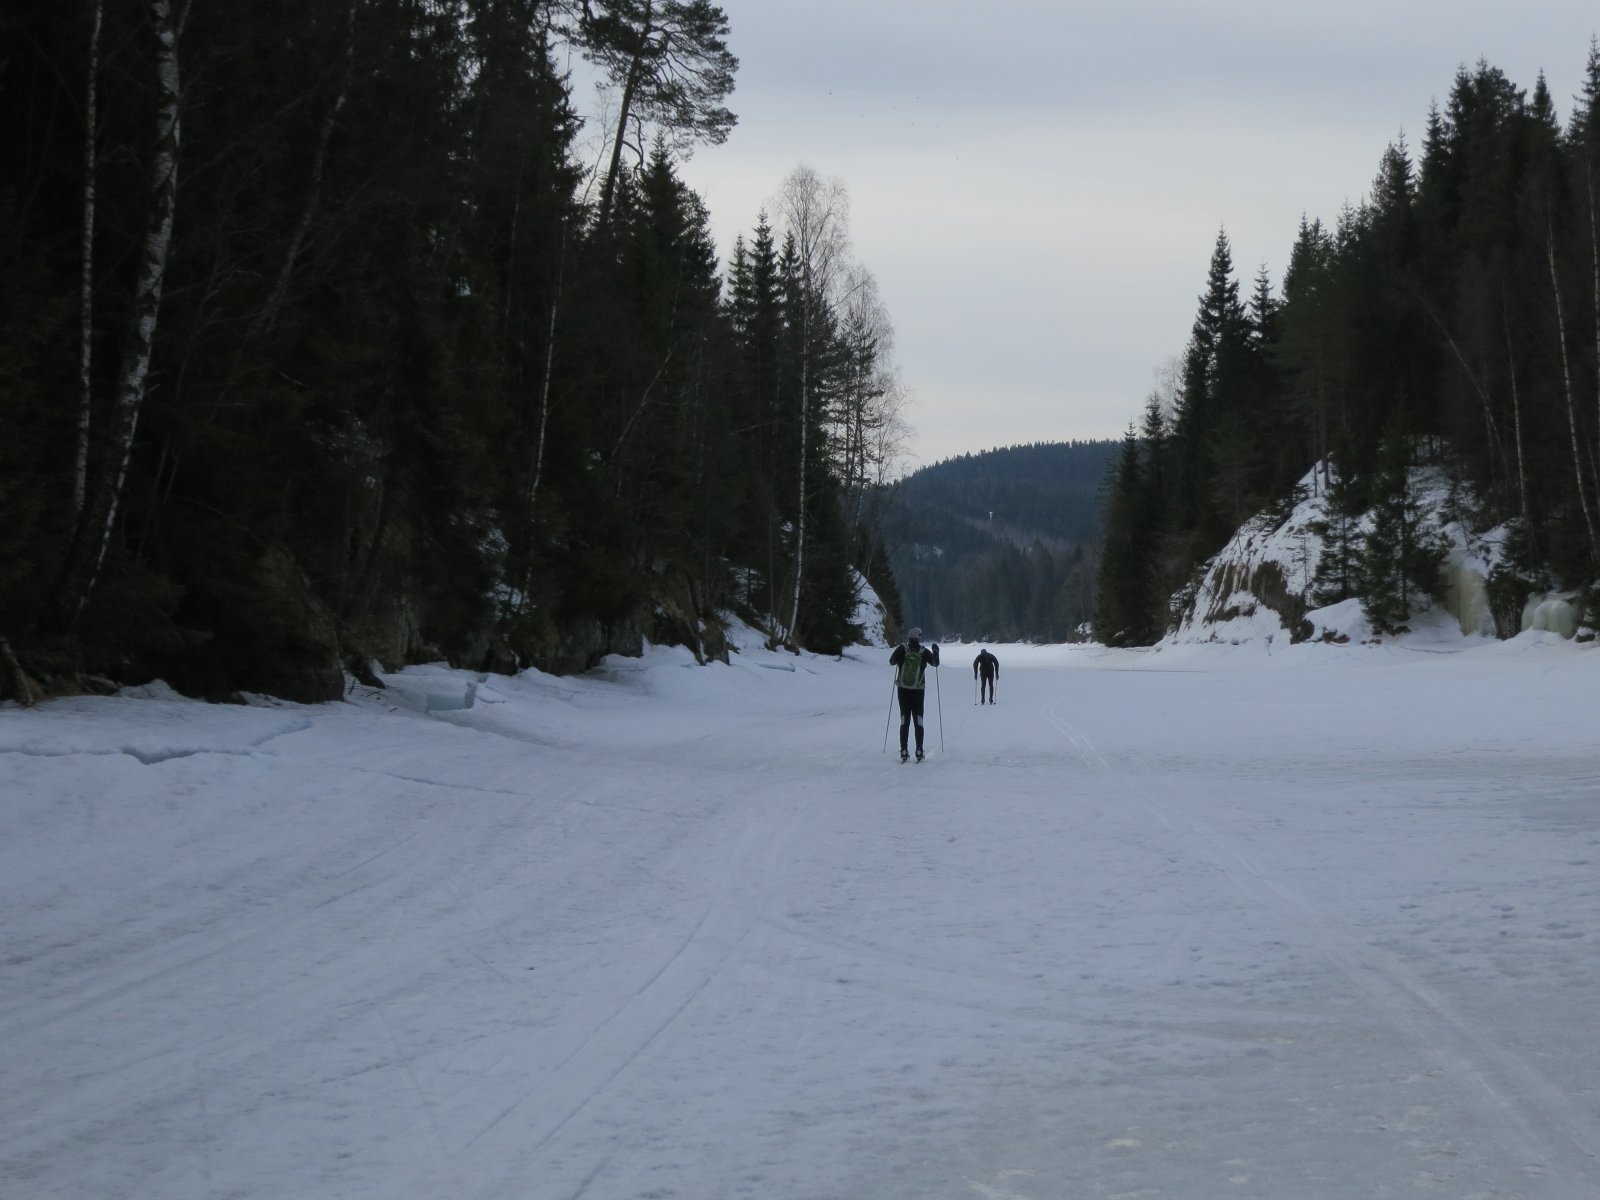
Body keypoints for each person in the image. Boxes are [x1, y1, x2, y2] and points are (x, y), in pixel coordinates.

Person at [889, 627, 940, 762]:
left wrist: (900, 661)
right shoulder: (923, 651)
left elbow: (891, 661)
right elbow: (936, 663)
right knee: (919, 719)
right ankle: (919, 749)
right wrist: (936, 650)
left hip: (903, 690)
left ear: (909, 637)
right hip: (918, 690)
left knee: (904, 719)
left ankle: (904, 750)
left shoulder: (902, 649)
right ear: (919, 638)